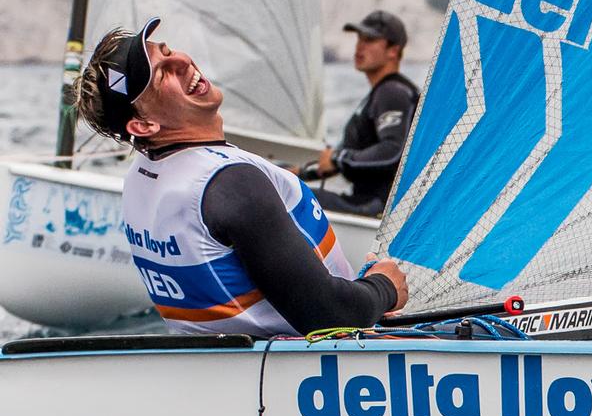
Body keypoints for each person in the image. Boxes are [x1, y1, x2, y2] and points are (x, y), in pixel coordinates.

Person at [74, 17, 408, 337]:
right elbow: (330, 316)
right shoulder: (231, 183)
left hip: (222, 366)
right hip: (306, 374)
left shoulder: (141, 175)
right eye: (162, 75)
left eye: (166, 50)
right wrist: (382, 287)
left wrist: (362, 295)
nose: (181, 62)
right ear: (143, 126)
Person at [298, 10, 419, 217]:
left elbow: (392, 151)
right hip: (367, 203)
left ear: (393, 51)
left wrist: (338, 158)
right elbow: (346, 159)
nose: (360, 46)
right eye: (359, 38)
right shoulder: (384, 92)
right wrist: (298, 173)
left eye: (370, 39)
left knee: (292, 196)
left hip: (376, 208)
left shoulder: (393, 92)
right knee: (289, 187)